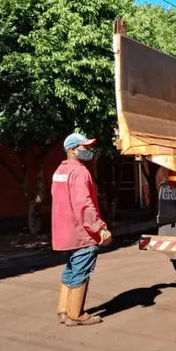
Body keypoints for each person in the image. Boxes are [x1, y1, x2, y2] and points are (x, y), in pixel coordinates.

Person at [52, 133, 113, 327]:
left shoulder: (60, 170)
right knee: (81, 269)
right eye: (84, 147)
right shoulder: (80, 172)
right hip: (81, 232)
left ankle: (63, 311)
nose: (88, 151)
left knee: (70, 269)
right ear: (72, 149)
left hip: (64, 232)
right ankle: (75, 315)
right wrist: (99, 227)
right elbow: (84, 204)